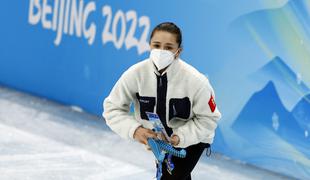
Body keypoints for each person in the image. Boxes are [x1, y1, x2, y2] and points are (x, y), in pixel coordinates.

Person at [103, 22, 221, 180]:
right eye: (156, 45)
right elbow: (112, 108)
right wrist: (136, 131)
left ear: (178, 51)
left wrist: (180, 138)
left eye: (168, 47)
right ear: (149, 46)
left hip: (193, 138)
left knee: (171, 177)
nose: (161, 51)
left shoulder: (196, 81)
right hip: (157, 138)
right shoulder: (135, 74)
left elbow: (209, 118)